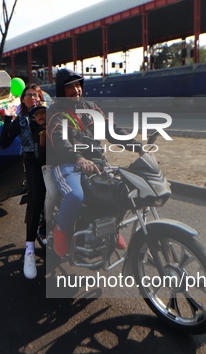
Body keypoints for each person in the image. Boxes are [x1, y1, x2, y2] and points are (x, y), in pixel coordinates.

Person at [47, 69, 143, 257]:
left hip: (96, 162)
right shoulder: (55, 112)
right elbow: (59, 139)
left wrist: (138, 147)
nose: (76, 90)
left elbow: (111, 129)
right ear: (61, 90)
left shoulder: (91, 108)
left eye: (78, 85)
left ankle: (111, 231)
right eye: (70, 87)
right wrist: (79, 159)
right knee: (75, 195)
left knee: (120, 190)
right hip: (66, 163)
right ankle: (61, 231)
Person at [0, 84, 47, 279]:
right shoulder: (21, 120)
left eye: (36, 95)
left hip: (51, 157)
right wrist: (8, 120)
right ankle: (29, 249)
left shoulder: (47, 113)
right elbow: (4, 143)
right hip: (33, 161)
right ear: (23, 99)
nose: (32, 98)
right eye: (28, 95)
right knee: (36, 198)